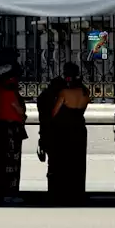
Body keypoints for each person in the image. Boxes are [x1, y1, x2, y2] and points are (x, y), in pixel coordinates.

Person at [48, 63, 89, 203]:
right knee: (78, 162)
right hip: (79, 128)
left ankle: (63, 192)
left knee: (64, 161)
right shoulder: (85, 92)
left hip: (64, 130)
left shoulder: (64, 93)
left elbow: (54, 112)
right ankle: (77, 192)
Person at [0, 63, 27, 204]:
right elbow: (19, 110)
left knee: (0, 160)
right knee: (12, 162)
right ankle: (10, 191)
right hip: (11, 129)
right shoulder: (9, 93)